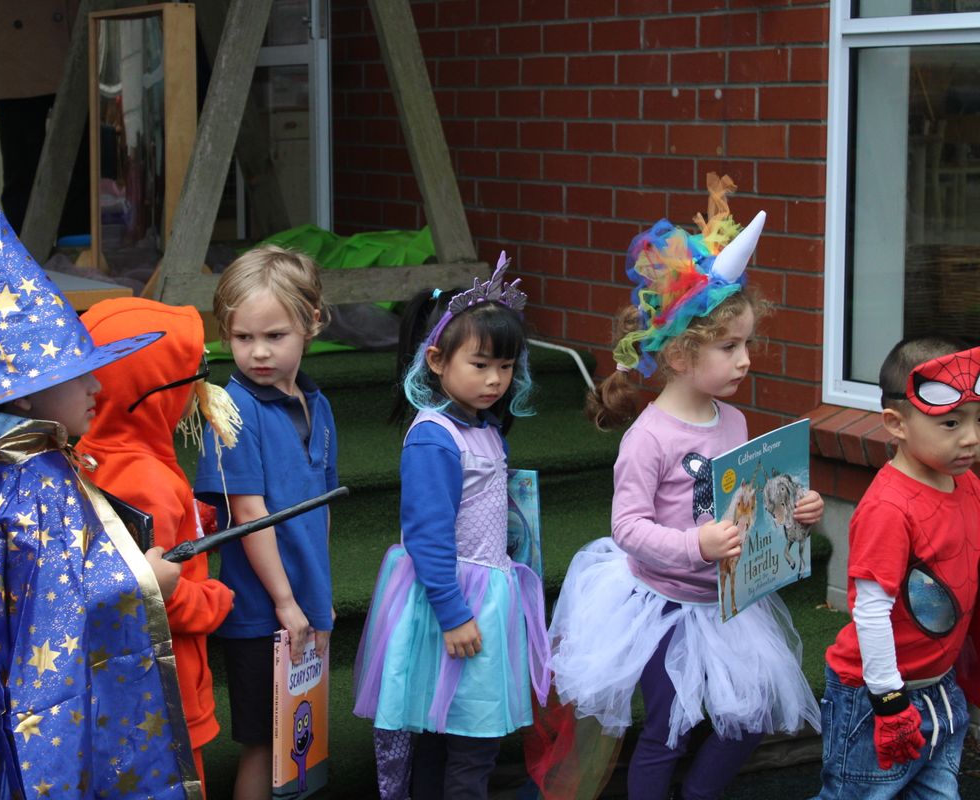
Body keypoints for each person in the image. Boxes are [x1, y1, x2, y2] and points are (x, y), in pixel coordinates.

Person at [0, 160, 200, 798]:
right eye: (78, 375)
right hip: (32, 718)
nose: (97, 385)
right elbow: (55, 607)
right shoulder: (39, 484)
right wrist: (146, 581)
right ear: (25, 398)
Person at [547, 176, 825, 800]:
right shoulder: (648, 438)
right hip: (664, 603)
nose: (745, 358)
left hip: (726, 604)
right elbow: (628, 528)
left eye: (746, 342)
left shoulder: (736, 421)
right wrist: (695, 545)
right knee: (669, 727)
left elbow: (749, 503)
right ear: (678, 356)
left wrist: (794, 512)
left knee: (750, 716)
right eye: (729, 346)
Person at [352, 255, 550, 800]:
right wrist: (454, 613)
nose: (495, 380)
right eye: (481, 364)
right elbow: (427, 535)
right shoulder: (434, 438)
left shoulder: (484, 427)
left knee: (462, 734)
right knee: (465, 740)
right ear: (437, 360)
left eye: (505, 366)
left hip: (486, 592)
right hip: (453, 601)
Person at [77, 297, 241, 789]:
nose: (199, 388)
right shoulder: (147, 478)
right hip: (164, 689)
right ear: (153, 392)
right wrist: (213, 601)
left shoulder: (92, 452)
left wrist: (196, 521)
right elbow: (151, 588)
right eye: (194, 375)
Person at [193, 244, 338, 800]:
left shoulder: (318, 404)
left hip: (306, 603)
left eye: (275, 336)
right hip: (262, 611)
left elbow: (321, 503)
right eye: (242, 337)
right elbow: (250, 514)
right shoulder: (231, 409)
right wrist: (285, 602)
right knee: (263, 743)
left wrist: (318, 597)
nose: (257, 352)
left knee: (302, 737)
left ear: (312, 323)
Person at [815, 336, 980, 798]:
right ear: (896, 423)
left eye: (978, 419)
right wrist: (889, 701)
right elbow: (870, 611)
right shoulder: (889, 508)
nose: (971, 437)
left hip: (940, 687)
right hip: (878, 695)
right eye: (951, 423)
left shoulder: (965, 483)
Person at [0, 0, 89, 237]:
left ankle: (75, 244)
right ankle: (24, 246)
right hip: (16, 56)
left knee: (78, 166)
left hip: (75, 47)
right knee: (22, 169)